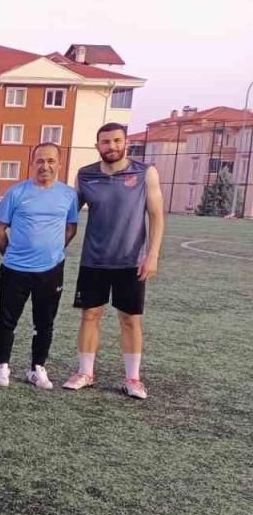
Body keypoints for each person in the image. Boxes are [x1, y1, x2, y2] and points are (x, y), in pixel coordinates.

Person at [65, 123, 164, 399]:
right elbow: (69, 216)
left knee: (130, 319)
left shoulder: (145, 173)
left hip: (131, 261)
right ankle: (85, 373)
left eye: (117, 141)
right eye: (106, 142)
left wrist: (153, 254)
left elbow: (156, 215)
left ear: (126, 143)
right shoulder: (85, 175)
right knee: (90, 315)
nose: (112, 146)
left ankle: (133, 379)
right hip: (93, 260)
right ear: (97, 145)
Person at [0, 143, 80, 390]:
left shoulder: (68, 195)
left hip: (51, 271)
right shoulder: (16, 193)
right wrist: (12, 255)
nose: (45, 166)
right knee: (7, 320)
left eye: (50, 161)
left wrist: (52, 252)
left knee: (45, 322)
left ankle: (37, 367)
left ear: (59, 164)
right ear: (32, 163)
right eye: (40, 161)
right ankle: (2, 365)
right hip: (15, 270)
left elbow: (71, 228)